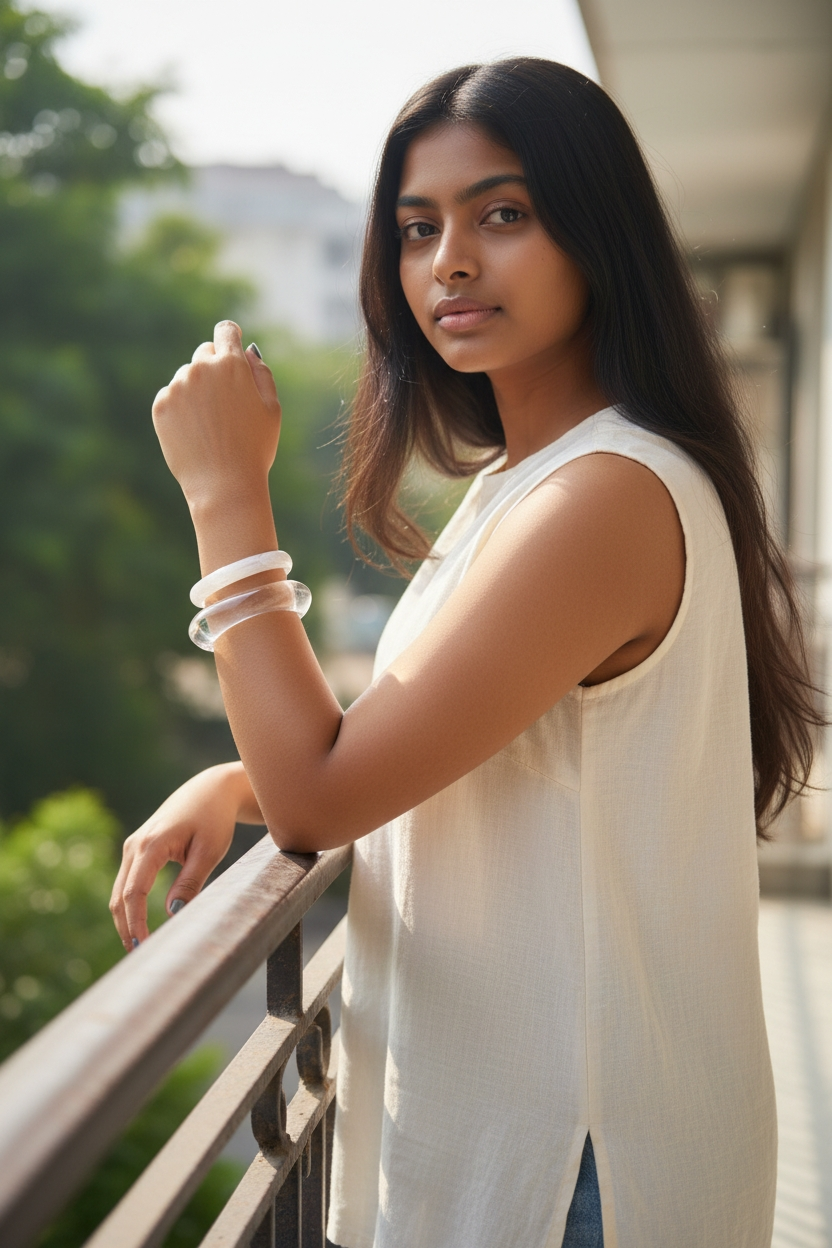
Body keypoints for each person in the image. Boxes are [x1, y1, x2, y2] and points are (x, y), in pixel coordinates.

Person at [109, 59, 822, 1248]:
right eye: (416, 227)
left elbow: (325, 795)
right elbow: (455, 743)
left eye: (503, 215)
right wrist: (241, 781)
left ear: (598, 237)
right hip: (549, 1142)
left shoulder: (605, 494)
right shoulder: (528, 483)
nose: (449, 261)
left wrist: (227, 493)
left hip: (577, 1170)